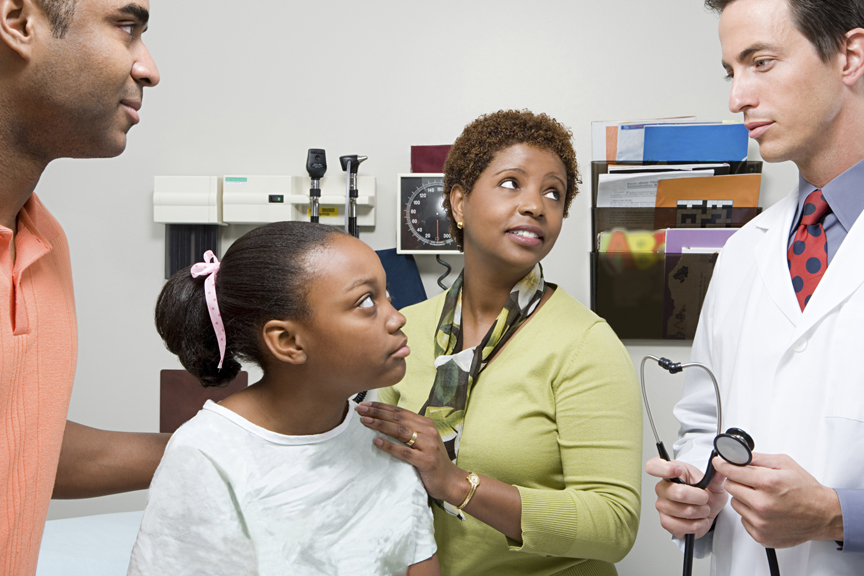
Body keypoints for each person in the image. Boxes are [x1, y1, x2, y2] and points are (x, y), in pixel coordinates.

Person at [362, 109, 643, 576]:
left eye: (553, 193)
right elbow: (374, 477)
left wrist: (456, 484)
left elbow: (614, 526)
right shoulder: (402, 329)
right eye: (512, 183)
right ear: (458, 203)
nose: (536, 204)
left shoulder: (584, 344)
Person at [645, 0, 864, 574]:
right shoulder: (745, 251)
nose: (737, 96)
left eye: (760, 62)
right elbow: (704, 421)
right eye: (731, 71)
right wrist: (698, 490)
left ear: (851, 55)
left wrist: (839, 516)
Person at [128, 222, 439, 576]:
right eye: (366, 301)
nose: (398, 318)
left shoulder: (386, 440)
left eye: (388, 296)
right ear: (288, 341)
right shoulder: (207, 455)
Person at [0, 1, 169, 574]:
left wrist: (232, 440)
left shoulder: (44, 242)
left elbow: (24, 442)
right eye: (127, 28)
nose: (148, 68)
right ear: (19, 22)